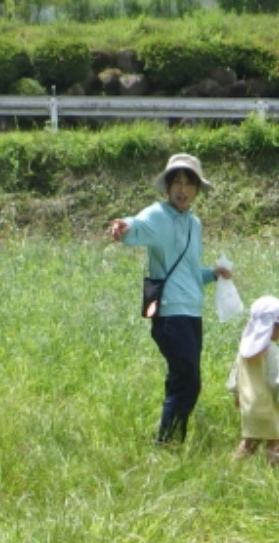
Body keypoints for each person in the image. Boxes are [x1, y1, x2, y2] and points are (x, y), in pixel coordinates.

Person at [106, 153, 234, 446]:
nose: (182, 189)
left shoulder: (194, 224)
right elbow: (134, 225)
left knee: (185, 380)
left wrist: (213, 274)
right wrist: (122, 227)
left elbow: (189, 271)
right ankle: (167, 444)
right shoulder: (157, 215)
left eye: (189, 183)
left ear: (197, 190)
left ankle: (170, 442)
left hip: (192, 312)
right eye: (177, 182)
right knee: (187, 381)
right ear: (167, 186)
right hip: (169, 313)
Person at [226, 295, 279, 466]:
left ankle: (232, 468)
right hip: (270, 407)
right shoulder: (271, 352)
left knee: (249, 442)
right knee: (275, 443)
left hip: (250, 407)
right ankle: (273, 476)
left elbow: (235, 376)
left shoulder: (244, 350)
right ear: (273, 328)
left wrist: (236, 394)